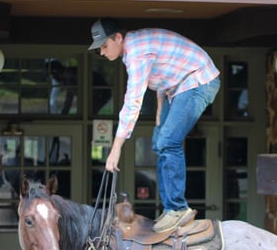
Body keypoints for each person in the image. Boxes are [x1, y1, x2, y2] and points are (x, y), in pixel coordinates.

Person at [89, 17, 220, 232]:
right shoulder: (135, 48)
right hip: (176, 87)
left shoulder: (137, 53)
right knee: (159, 142)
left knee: (169, 141)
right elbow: (166, 70)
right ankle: (171, 210)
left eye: (104, 46)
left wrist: (115, 149)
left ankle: (178, 209)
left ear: (118, 38)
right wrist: (160, 107)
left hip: (198, 81)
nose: (102, 52)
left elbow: (133, 102)